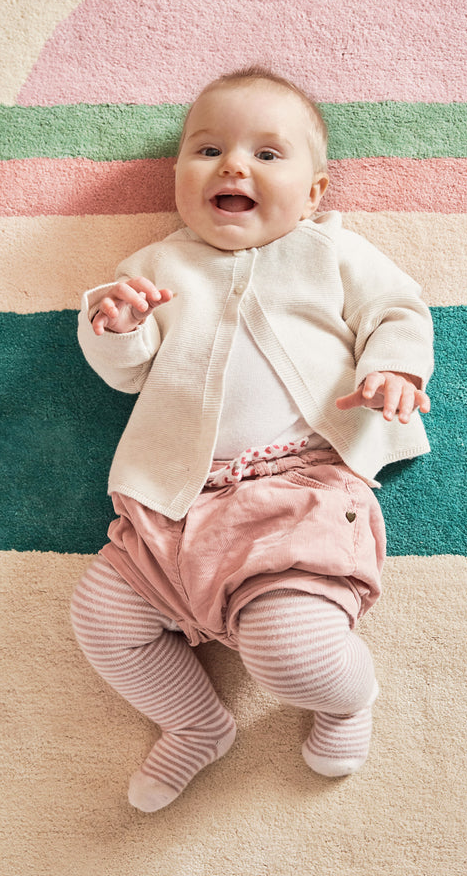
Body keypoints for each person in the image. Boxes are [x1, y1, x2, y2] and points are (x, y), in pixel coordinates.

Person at [71, 67, 433, 812]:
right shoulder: (153, 267)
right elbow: (127, 374)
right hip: (171, 507)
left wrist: (393, 366)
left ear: (315, 192)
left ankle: (345, 698)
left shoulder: (332, 251)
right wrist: (115, 325)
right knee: (102, 619)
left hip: (296, 492)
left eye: (268, 155)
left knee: (291, 650)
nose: (234, 165)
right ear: (178, 178)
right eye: (208, 150)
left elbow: (395, 308)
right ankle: (196, 721)